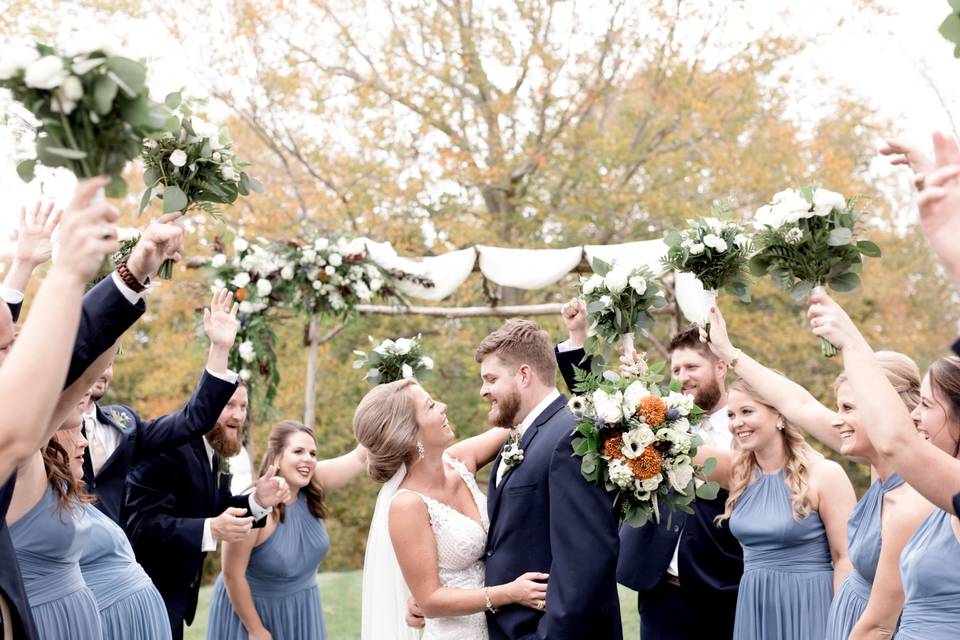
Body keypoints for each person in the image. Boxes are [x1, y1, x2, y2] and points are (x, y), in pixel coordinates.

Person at [1, 178, 182, 639]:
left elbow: (79, 372)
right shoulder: (15, 441)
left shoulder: (33, 436)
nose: (17, 356)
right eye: (6, 349)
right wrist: (66, 272)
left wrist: (136, 271)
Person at [702, 305, 934, 639]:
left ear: (883, 407)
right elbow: (799, 404)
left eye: (848, 408)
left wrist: (852, 340)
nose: (837, 420)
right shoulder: (877, 467)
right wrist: (728, 352)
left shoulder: (916, 486)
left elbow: (883, 619)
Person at [556, 300, 742, 640]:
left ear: (720, 366)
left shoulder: (744, 424)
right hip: (660, 589)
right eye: (675, 370)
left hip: (723, 587)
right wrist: (577, 337)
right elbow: (601, 409)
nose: (682, 378)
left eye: (691, 367)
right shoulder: (660, 417)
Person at [809, 289, 960, 638]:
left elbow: (895, 441)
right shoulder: (928, 499)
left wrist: (850, 340)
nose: (916, 417)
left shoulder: (928, 493)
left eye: (926, 405)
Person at [354, 379, 548, 640]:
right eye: (431, 406)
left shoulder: (461, 460)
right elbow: (431, 600)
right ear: (410, 434)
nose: (443, 407)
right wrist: (511, 592)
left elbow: (526, 422)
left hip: (500, 628)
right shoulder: (406, 505)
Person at [479, 319, 621, 640]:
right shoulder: (522, 435)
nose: (484, 390)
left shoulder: (568, 435)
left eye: (491, 379)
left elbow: (586, 559)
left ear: (524, 375)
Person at [696, 374, 855, 640]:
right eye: (732, 415)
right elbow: (675, 447)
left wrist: (841, 625)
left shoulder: (825, 474)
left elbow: (846, 558)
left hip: (810, 606)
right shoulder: (736, 472)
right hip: (755, 608)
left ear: (780, 416)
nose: (737, 423)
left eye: (747, 411)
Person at [125, 383, 290, 640]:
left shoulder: (212, 449)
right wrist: (208, 529)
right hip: (145, 601)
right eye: (228, 404)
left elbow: (215, 508)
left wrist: (258, 501)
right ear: (205, 402)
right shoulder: (168, 445)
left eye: (243, 406)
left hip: (175, 604)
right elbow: (140, 527)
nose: (238, 415)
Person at [79, 288, 241, 525]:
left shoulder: (125, 422)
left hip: (111, 555)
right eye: (98, 360)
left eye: (110, 362)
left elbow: (192, 420)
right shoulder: (46, 421)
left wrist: (220, 349)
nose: (104, 371)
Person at [206, 421, 366, 640]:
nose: (308, 459)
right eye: (298, 451)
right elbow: (232, 574)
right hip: (253, 614)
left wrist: (392, 396)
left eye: (312, 453)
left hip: (303, 610)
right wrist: (255, 629)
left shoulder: (312, 485)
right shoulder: (255, 503)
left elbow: (360, 456)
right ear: (278, 457)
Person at [41, 409, 172, 640]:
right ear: (43, 438)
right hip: (110, 626)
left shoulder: (67, 496)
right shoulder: (39, 499)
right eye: (70, 430)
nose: (83, 441)